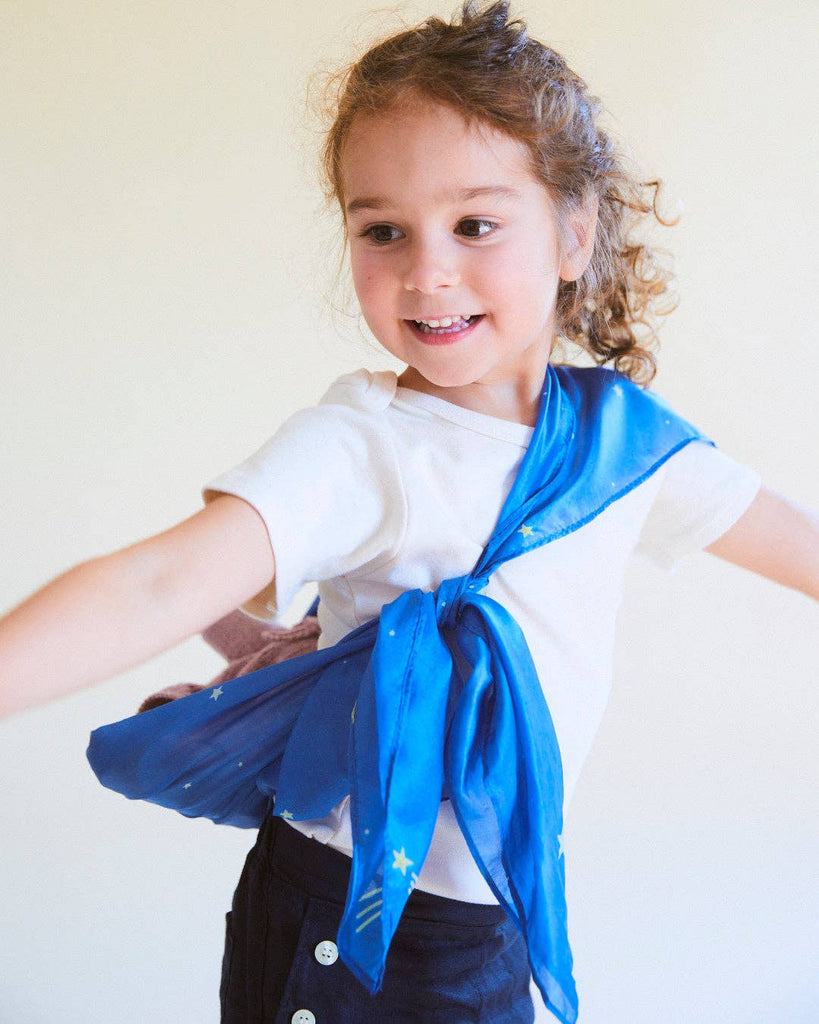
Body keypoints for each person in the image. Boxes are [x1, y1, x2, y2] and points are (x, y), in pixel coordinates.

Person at [1, 2, 816, 1022]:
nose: (427, 269)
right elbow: (160, 581)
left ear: (574, 232)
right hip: (328, 905)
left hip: (487, 917)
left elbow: (802, 545)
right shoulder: (362, 444)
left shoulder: (626, 449)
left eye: (475, 223)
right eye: (383, 229)